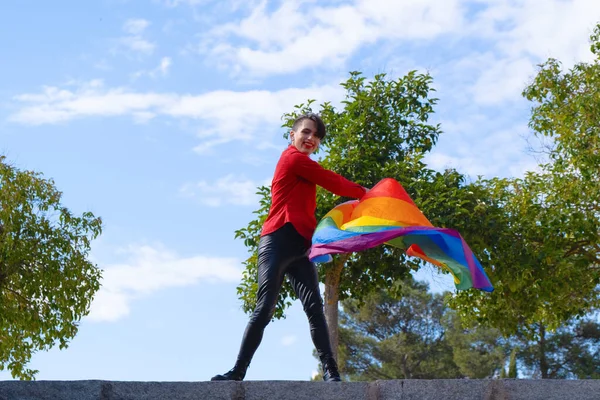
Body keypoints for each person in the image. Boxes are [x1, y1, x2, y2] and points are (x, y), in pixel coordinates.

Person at [211, 113, 367, 382]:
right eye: (306, 132)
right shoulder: (292, 159)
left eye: (316, 136)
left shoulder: (304, 164)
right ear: (292, 134)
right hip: (276, 241)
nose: (311, 139)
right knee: (265, 307)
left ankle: (331, 372)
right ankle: (237, 372)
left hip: (302, 247)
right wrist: (366, 192)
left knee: (314, 308)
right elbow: (332, 181)